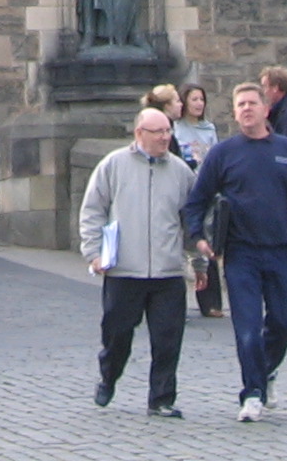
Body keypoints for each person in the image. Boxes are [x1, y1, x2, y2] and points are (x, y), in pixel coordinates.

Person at [181, 81, 287, 423]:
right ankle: (253, 393)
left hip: (281, 251)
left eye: (251, 103)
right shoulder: (224, 154)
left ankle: (266, 371)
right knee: (246, 328)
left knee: (285, 322)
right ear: (234, 112)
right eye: (239, 104)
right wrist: (198, 237)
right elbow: (196, 202)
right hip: (241, 254)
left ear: (265, 109)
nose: (246, 109)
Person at [79, 106, 198, 418]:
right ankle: (109, 376)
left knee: (168, 340)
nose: (164, 137)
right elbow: (93, 210)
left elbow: (193, 222)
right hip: (124, 270)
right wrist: (93, 252)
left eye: (168, 131)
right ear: (139, 134)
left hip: (167, 273)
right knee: (117, 335)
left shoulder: (180, 172)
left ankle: (161, 398)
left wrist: (198, 262)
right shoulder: (113, 165)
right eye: (157, 132)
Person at [172, 85, 223, 319]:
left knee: (207, 242)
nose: (198, 104)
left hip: (206, 188)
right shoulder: (176, 128)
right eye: (194, 99)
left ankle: (210, 302)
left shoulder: (209, 129)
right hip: (184, 189)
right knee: (184, 244)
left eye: (202, 99)